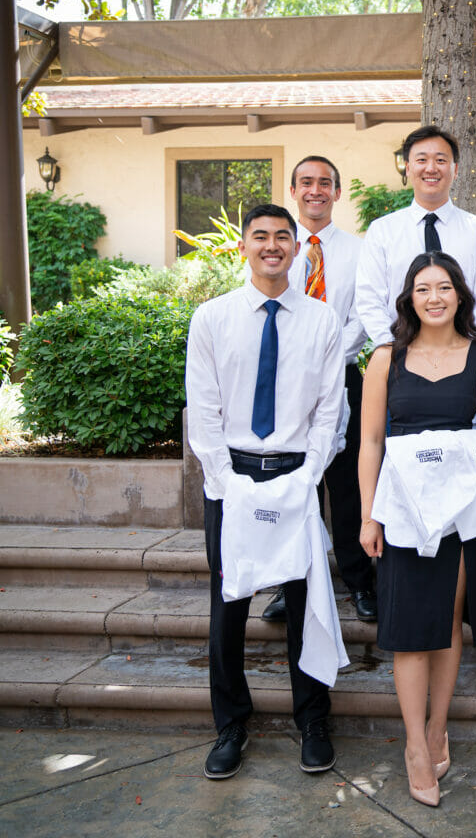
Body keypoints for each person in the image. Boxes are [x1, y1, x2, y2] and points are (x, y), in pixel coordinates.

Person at [185, 203, 345, 781]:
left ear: (297, 247)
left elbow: (331, 411)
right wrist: (228, 486)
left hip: (299, 473)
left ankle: (313, 719)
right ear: (243, 246)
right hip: (231, 477)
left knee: (305, 602)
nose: (273, 246)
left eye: (284, 236)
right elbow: (202, 410)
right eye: (261, 237)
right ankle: (230, 725)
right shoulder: (212, 318)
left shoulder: (322, 321)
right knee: (228, 606)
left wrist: (308, 476)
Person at [353, 125, 476, 628]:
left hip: (463, 364)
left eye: (441, 159)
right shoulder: (384, 231)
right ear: (406, 166)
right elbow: (369, 298)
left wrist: (466, 356)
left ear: (456, 167)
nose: (431, 167)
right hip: (405, 365)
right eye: (421, 158)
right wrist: (401, 353)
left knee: (473, 479)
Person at [357, 251, 476, 807]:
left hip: (461, 506)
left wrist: (443, 448)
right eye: (423, 289)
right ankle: (415, 747)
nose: (435, 297)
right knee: (407, 625)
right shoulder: (386, 358)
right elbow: (371, 441)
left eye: (444, 287)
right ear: (409, 299)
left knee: (447, 618)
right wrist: (368, 514)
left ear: (460, 295)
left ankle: (437, 725)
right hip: (400, 507)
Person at [262, 155, 376, 626]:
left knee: (346, 487)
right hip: (283, 383)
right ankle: (291, 584)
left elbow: (368, 315)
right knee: (292, 484)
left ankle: (358, 581)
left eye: (324, 183)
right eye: (306, 183)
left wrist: (323, 356)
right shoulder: (274, 249)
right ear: (293, 191)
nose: (315, 190)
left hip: (344, 377)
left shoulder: (360, 251)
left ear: (337, 192)